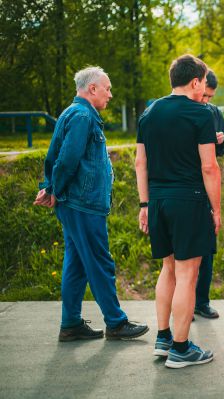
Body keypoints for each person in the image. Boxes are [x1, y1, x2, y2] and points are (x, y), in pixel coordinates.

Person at [34, 66, 149, 342]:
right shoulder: (83, 115)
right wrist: (53, 190)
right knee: (99, 262)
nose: (110, 94)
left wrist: (52, 188)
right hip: (82, 204)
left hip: (77, 203)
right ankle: (116, 323)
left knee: (76, 264)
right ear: (93, 89)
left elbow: (56, 156)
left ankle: (71, 324)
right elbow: (67, 158)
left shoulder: (75, 113)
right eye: (107, 88)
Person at [136, 54, 221, 369]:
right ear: (196, 81)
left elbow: (140, 163)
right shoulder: (201, 113)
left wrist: (144, 204)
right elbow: (209, 167)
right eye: (203, 85)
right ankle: (181, 348)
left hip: (157, 201)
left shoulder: (149, 113)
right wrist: (216, 209)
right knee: (188, 274)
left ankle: (163, 338)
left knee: (168, 270)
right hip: (189, 199)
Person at [194, 69, 224, 320]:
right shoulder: (184, 111)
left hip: (207, 188)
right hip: (188, 183)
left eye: (210, 97)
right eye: (204, 95)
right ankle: (183, 302)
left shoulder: (213, 112)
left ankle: (202, 301)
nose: (205, 101)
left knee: (207, 247)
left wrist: (220, 141)